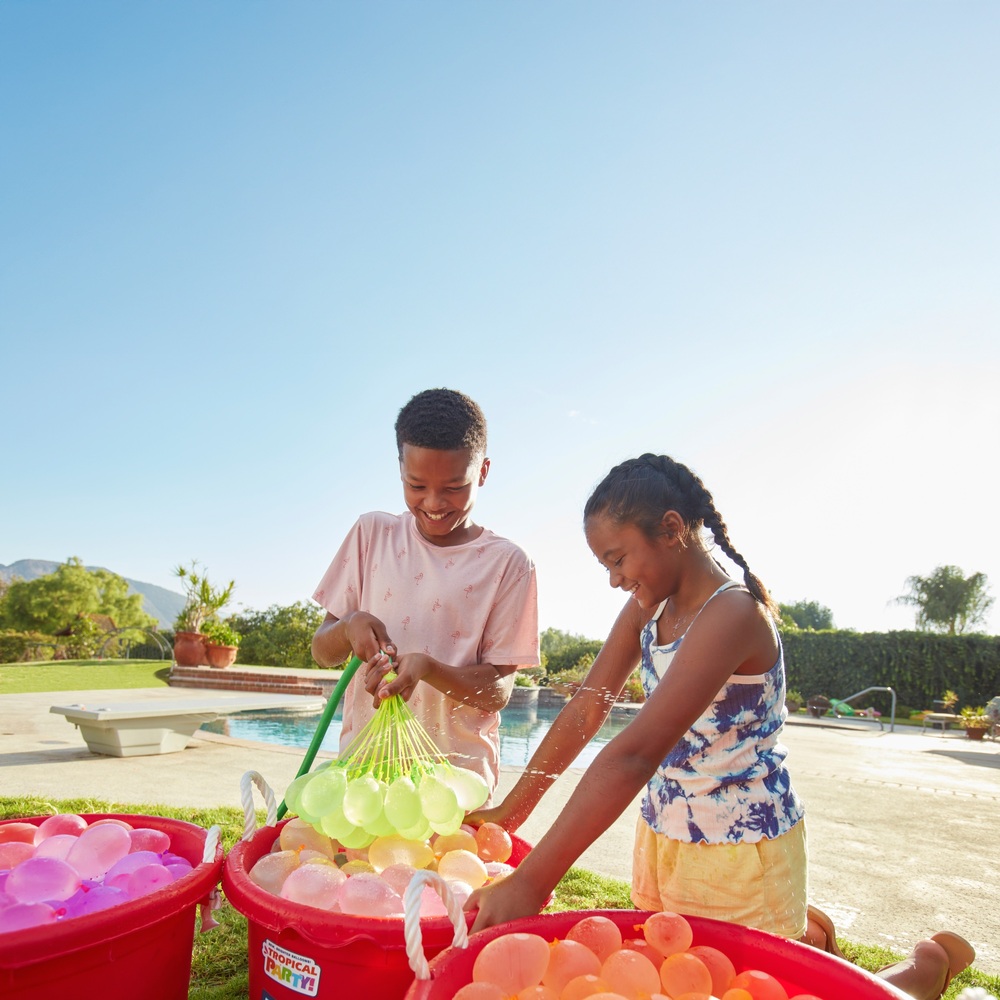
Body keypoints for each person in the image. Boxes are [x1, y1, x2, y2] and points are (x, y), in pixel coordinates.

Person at [466, 453, 974, 1000]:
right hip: (665, 833)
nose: (614, 580)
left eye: (618, 559)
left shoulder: (734, 614)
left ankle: (924, 969)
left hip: (741, 851)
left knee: (753, 990)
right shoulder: (647, 609)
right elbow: (586, 709)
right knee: (682, 982)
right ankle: (808, 936)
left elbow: (634, 754)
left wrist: (532, 882)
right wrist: (512, 810)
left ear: (671, 529)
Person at [310, 387, 539, 795]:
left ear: (483, 472)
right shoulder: (371, 534)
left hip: (455, 786)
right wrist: (348, 626)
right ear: (400, 469)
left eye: (454, 487)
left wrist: (431, 670)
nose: (433, 503)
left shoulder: (508, 564)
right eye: (416, 485)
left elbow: (499, 691)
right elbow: (322, 651)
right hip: (366, 780)